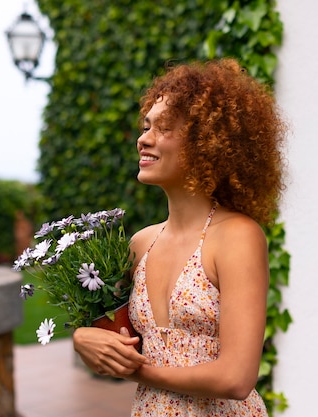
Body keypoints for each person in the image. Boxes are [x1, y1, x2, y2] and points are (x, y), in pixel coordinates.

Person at [73, 58, 286, 416]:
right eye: (146, 126)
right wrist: (82, 339)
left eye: (164, 128)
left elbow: (236, 377)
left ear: (207, 142)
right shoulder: (140, 244)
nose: (144, 138)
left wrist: (138, 371)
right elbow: (110, 337)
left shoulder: (238, 237)